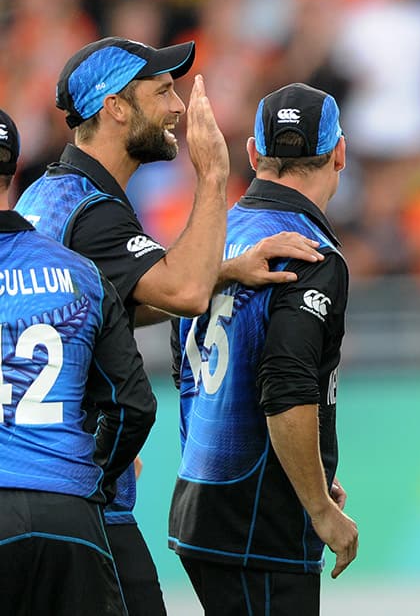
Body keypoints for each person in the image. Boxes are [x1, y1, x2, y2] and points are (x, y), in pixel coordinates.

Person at [14, 37, 323, 616]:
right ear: (115, 107)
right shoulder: (94, 211)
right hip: (78, 495)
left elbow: (118, 304)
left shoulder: (48, 195)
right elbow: (182, 291)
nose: (179, 108)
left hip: (43, 475)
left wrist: (227, 270)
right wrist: (211, 175)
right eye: (163, 92)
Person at [168, 82, 358, 615]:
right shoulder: (309, 251)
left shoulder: (212, 236)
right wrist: (318, 506)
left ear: (252, 154)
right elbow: (287, 388)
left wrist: (310, 469)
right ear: (339, 152)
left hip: (199, 500)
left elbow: (183, 368)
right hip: (260, 520)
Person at [0, 107, 156, 615]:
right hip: (72, 515)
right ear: (15, 169)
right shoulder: (80, 272)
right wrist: (99, 473)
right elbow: (134, 404)